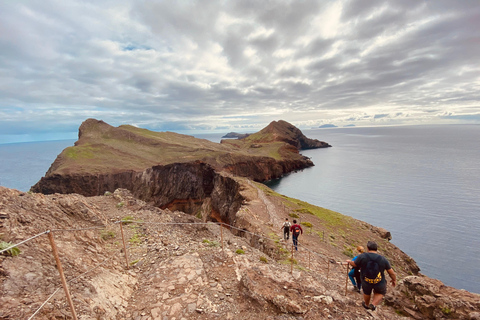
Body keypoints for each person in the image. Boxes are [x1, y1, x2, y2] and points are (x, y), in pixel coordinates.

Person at [348, 241, 396, 311]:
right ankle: (373, 304)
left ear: (367, 248)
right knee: (380, 292)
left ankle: (366, 304)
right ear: (376, 249)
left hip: (366, 280)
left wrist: (350, 262)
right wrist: (394, 279)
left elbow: (354, 264)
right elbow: (391, 272)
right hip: (379, 281)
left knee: (367, 292)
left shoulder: (362, 256)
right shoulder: (383, 259)